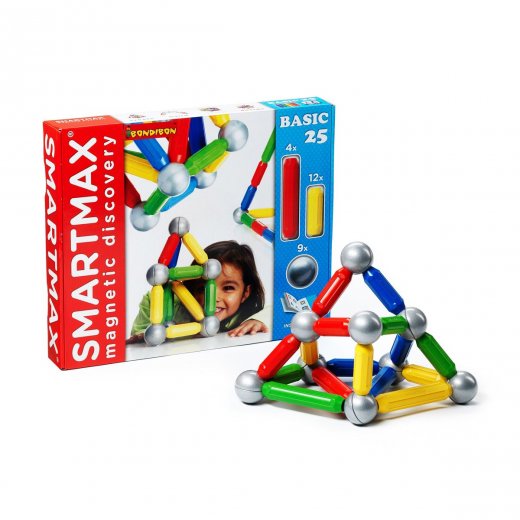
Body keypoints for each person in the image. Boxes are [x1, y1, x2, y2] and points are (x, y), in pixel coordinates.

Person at [127, 240, 268, 343]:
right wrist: (144, 334)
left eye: (228, 288)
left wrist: (257, 320)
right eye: (202, 288)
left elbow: (276, 309)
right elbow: (137, 336)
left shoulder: (245, 313)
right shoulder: (161, 303)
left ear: (245, 293)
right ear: (192, 290)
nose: (214, 298)